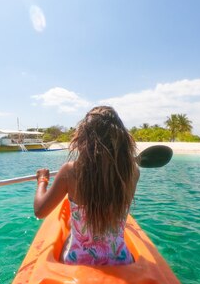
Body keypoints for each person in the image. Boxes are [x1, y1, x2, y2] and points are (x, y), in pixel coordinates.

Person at [33, 106, 139, 265]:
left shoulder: (70, 171)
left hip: (78, 260)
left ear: (83, 139)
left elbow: (40, 211)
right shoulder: (133, 173)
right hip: (121, 260)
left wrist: (42, 181)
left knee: (71, 231)